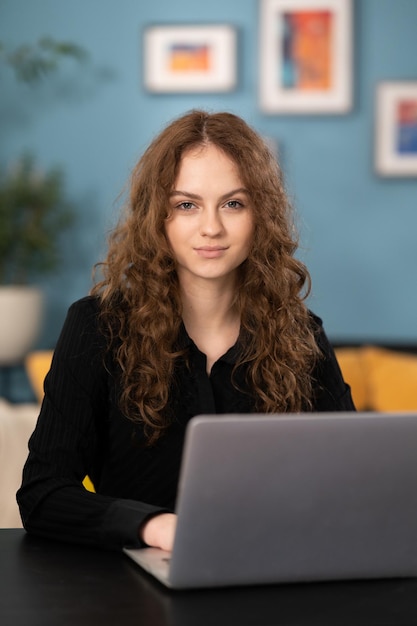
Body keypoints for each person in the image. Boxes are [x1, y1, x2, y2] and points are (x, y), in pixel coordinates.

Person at [17, 110, 355, 551]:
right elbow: (43, 495)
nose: (211, 227)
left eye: (234, 203)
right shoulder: (96, 328)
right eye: (186, 205)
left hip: (273, 576)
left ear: (261, 216)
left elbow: (351, 481)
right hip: (132, 592)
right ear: (158, 217)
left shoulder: (301, 334)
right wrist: (154, 527)